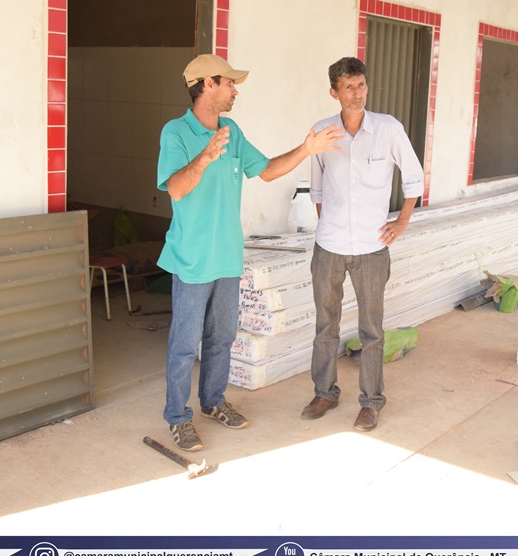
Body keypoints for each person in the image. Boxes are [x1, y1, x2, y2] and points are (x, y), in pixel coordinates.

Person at [157, 53, 343, 452]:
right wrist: (205, 157)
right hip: (191, 259)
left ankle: (213, 401)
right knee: (185, 344)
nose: (235, 90)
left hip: (227, 256)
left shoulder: (232, 131)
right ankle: (178, 417)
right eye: (229, 83)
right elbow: (175, 188)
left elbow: (267, 170)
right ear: (207, 84)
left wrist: (306, 149)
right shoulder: (176, 132)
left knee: (222, 337)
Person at [301, 56, 424, 432]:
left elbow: (414, 177)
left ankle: (371, 402)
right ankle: (325, 392)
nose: (357, 94)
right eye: (348, 87)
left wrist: (402, 221)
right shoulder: (322, 133)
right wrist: (330, 226)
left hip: (372, 248)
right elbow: (317, 189)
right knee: (326, 325)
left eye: (361, 85)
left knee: (372, 328)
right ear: (334, 92)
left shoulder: (388, 129)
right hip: (329, 246)